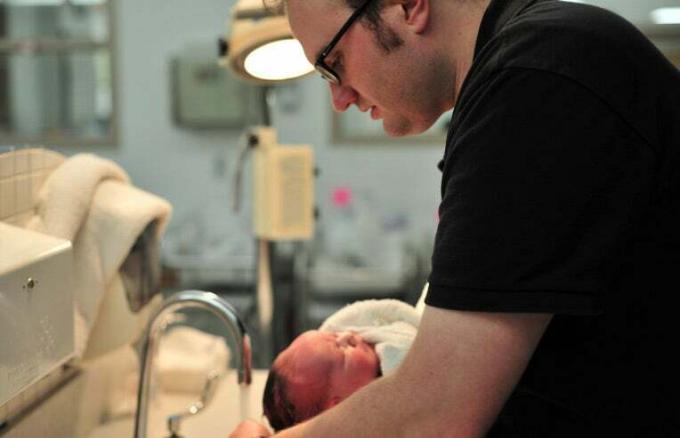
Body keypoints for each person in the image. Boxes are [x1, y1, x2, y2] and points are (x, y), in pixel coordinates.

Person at [232, 0, 680, 436]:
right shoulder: (516, 76)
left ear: (407, 6)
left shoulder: (536, 80)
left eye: (333, 64)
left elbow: (436, 413)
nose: (339, 98)